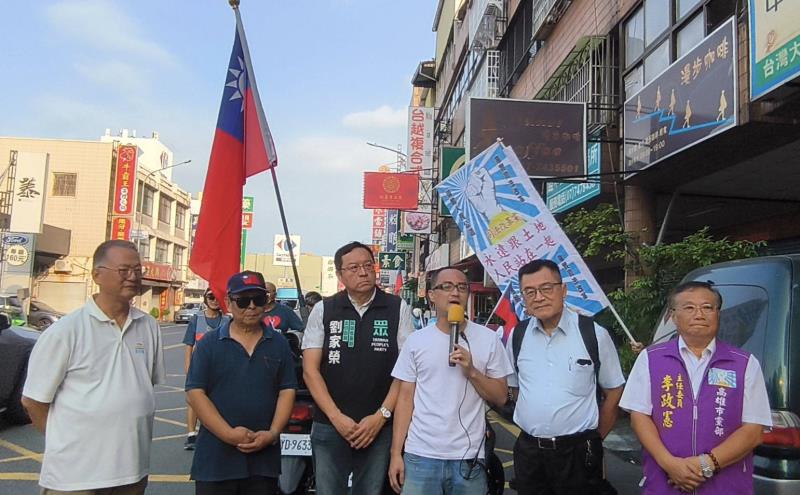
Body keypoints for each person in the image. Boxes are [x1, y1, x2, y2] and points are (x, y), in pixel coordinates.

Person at [21, 240, 165, 495]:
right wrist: (66, 441)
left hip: (132, 472)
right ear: (97, 275)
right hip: (75, 477)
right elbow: (33, 401)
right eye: (123, 271)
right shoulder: (65, 331)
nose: (132, 277)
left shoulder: (148, 326)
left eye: (137, 270)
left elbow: (142, 386)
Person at [619, 281, 772, 494]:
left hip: (726, 487)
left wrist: (705, 465)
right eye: (689, 307)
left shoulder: (744, 363)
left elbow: (753, 430)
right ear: (673, 315)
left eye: (707, 307)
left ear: (718, 314)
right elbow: (639, 416)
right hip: (666, 484)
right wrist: (671, 465)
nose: (699, 314)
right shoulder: (651, 358)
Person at [302, 241, 415, 494]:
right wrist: (336, 417)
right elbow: (310, 370)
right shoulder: (324, 309)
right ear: (340, 275)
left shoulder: (397, 308)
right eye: (353, 268)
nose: (363, 272)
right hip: (330, 426)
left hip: (379, 428)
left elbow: (407, 370)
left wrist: (381, 416)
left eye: (367, 265)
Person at [389, 267, 513, 494]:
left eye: (461, 287)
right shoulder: (416, 341)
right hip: (420, 455)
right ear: (432, 295)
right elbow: (405, 399)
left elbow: (501, 397)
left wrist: (472, 371)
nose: (455, 293)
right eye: (446, 287)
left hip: (469, 458)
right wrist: (396, 453)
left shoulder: (489, 340)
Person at [508, 259, 625, 495]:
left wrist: (594, 438)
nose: (538, 297)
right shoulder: (518, 335)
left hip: (578, 454)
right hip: (530, 454)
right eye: (529, 292)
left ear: (563, 290)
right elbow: (516, 388)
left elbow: (614, 391)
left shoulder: (593, 333)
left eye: (546, 288)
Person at [185, 270, 297, 494]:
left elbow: (287, 390)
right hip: (216, 462)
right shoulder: (209, 344)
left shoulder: (278, 343)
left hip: (263, 462)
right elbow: (195, 392)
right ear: (228, 302)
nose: (252, 306)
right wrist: (228, 433)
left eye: (259, 299)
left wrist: (273, 433)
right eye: (243, 300)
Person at [182, 288, 231, 450]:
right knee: (193, 399)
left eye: (217, 297)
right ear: (205, 299)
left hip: (220, 367)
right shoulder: (197, 319)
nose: (214, 300)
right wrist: (188, 366)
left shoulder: (226, 320)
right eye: (211, 297)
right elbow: (189, 344)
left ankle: (215, 431)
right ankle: (191, 434)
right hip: (199, 366)